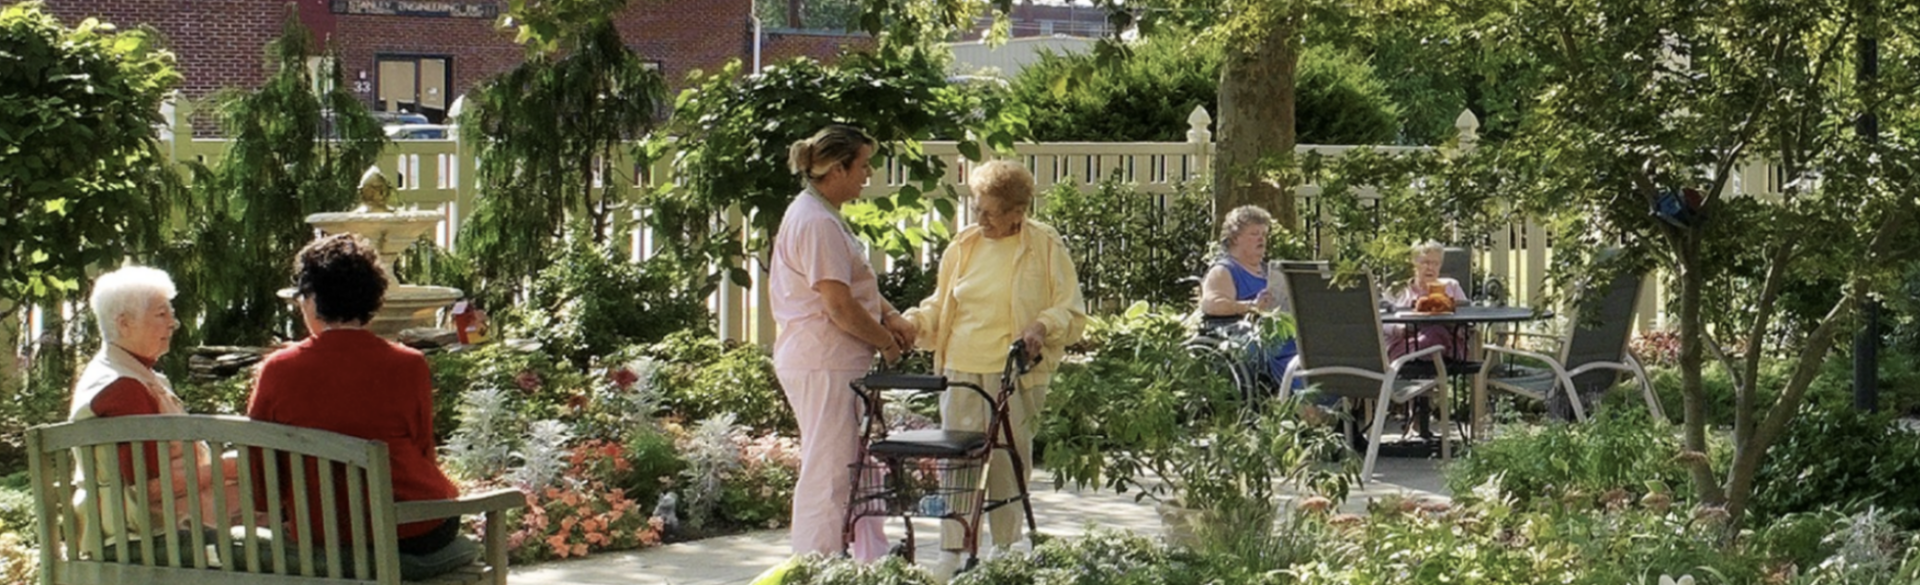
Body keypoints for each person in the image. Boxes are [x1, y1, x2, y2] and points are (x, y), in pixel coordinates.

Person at [903, 160, 1086, 578]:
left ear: (1017, 213)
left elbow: (1070, 309)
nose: (979, 218)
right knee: (958, 463)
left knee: (1007, 463)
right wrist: (913, 324)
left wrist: (1042, 325)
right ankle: (951, 550)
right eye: (976, 208)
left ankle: (1004, 552)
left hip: (1015, 371)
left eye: (989, 211)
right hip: (961, 366)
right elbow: (941, 304)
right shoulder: (964, 246)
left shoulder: (1044, 245)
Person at [247, 234, 466, 560]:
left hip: (323, 536)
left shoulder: (278, 370)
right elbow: (423, 450)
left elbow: (262, 465)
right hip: (413, 531)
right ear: (372, 299)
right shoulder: (409, 365)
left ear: (312, 299)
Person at [768, 124, 912, 562]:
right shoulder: (815, 222)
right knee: (828, 474)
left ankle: (868, 564)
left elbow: (854, 287)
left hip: (832, 361)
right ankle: (816, 566)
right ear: (836, 168)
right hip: (823, 362)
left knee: (857, 471)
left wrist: (888, 314)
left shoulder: (822, 213)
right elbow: (839, 305)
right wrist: (887, 342)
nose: (868, 174)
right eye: (863, 165)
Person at [69, 266, 246, 558]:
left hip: (149, 528)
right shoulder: (122, 387)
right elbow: (149, 489)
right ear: (124, 324)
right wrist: (228, 466)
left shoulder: (125, 374)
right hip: (151, 537)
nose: (174, 324)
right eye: (162, 314)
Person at [1197, 205, 1300, 389]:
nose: (1262, 239)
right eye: (1254, 233)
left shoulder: (1270, 271)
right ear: (1235, 237)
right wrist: (1251, 306)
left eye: (1264, 234)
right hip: (1250, 337)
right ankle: (1305, 403)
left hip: (1283, 332)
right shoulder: (1224, 270)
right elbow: (1212, 305)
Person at [1384, 240, 1471, 360]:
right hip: (1408, 347)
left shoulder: (1451, 286)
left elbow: (1467, 317)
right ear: (1413, 264)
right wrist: (1400, 329)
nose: (1431, 268)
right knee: (1434, 334)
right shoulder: (1400, 290)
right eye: (1425, 262)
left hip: (1448, 346)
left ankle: (1435, 351)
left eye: (1436, 263)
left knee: (1437, 332)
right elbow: (1381, 321)